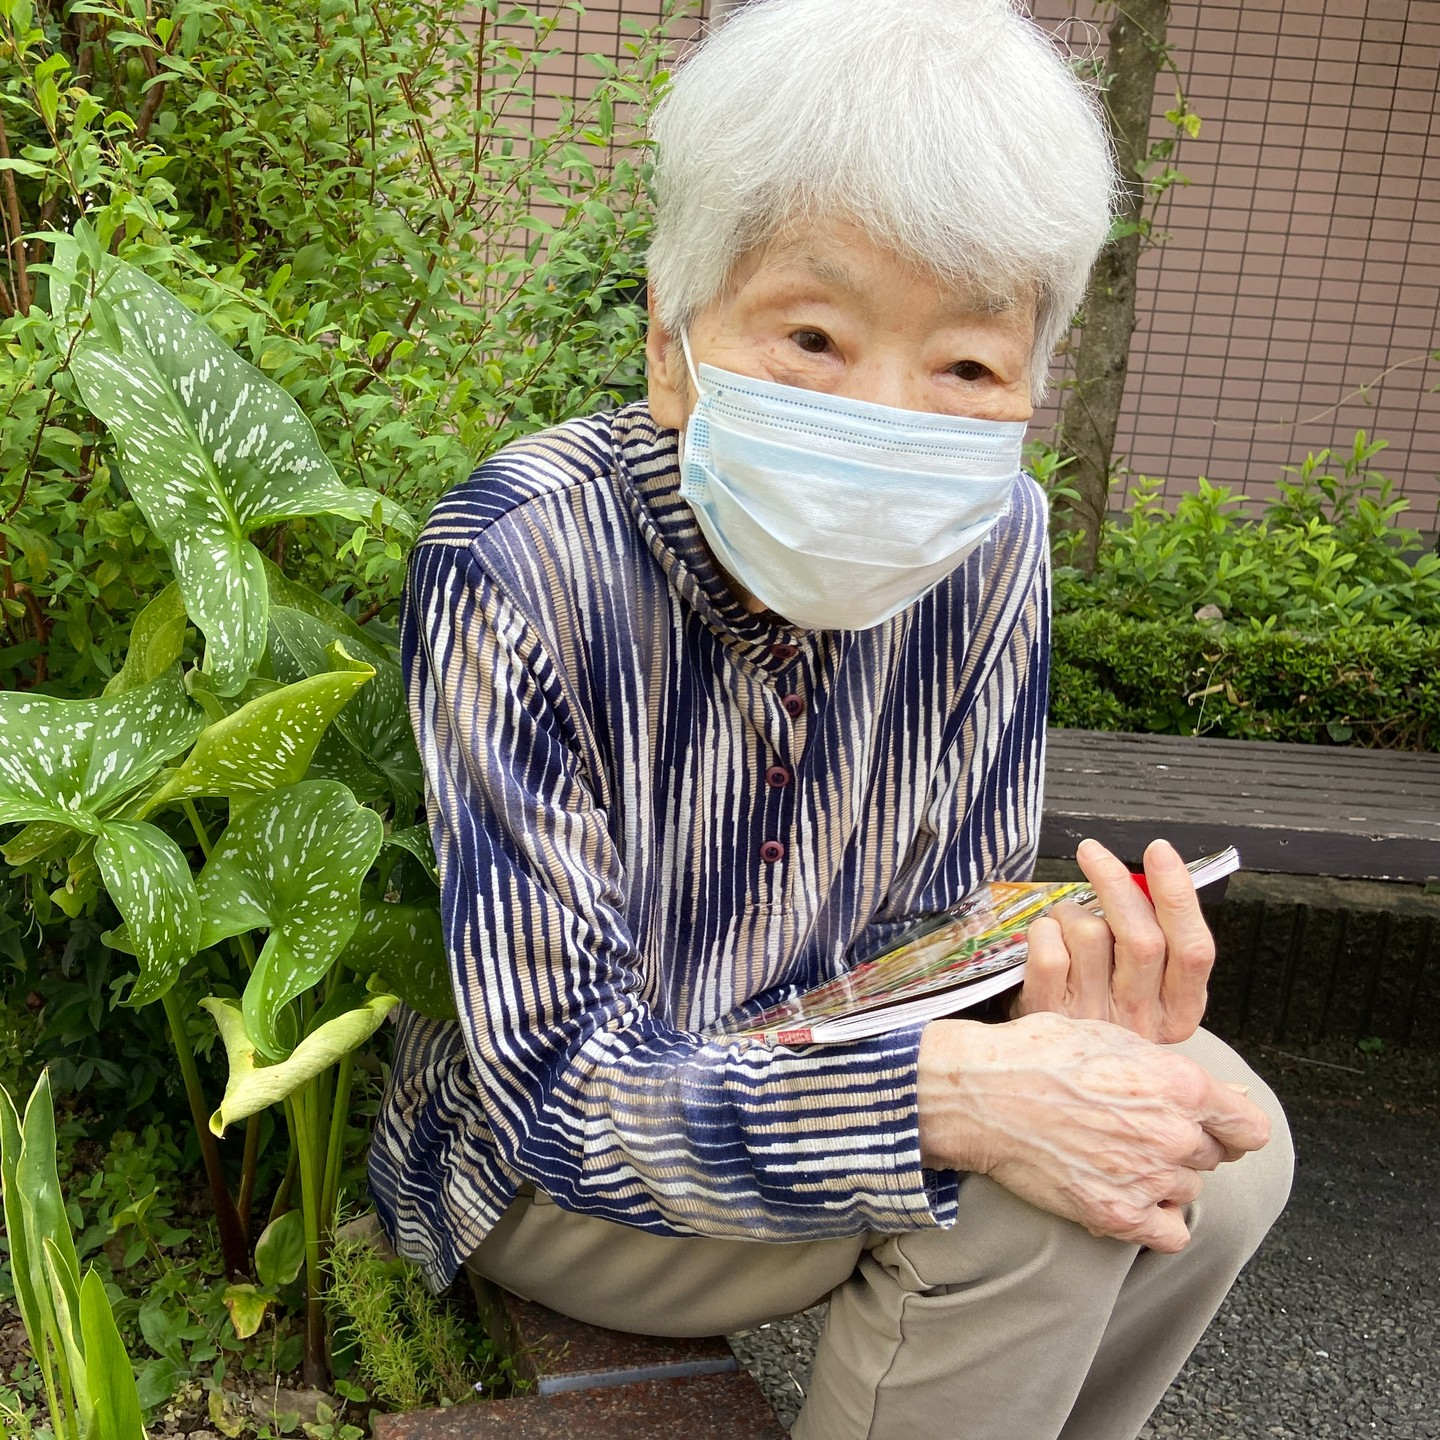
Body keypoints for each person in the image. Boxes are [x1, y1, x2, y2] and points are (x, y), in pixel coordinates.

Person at [368, 1, 1294, 1436]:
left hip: (837, 1058)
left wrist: (1049, 1007)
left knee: (1218, 1145)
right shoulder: (519, 556)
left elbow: (946, 924)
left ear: (1031, 388)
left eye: (969, 367)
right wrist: (960, 1099)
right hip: (562, 1173)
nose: (890, 417)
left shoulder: (996, 541)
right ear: (674, 349)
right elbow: (558, 1088)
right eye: (813, 334)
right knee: (1031, 1201)